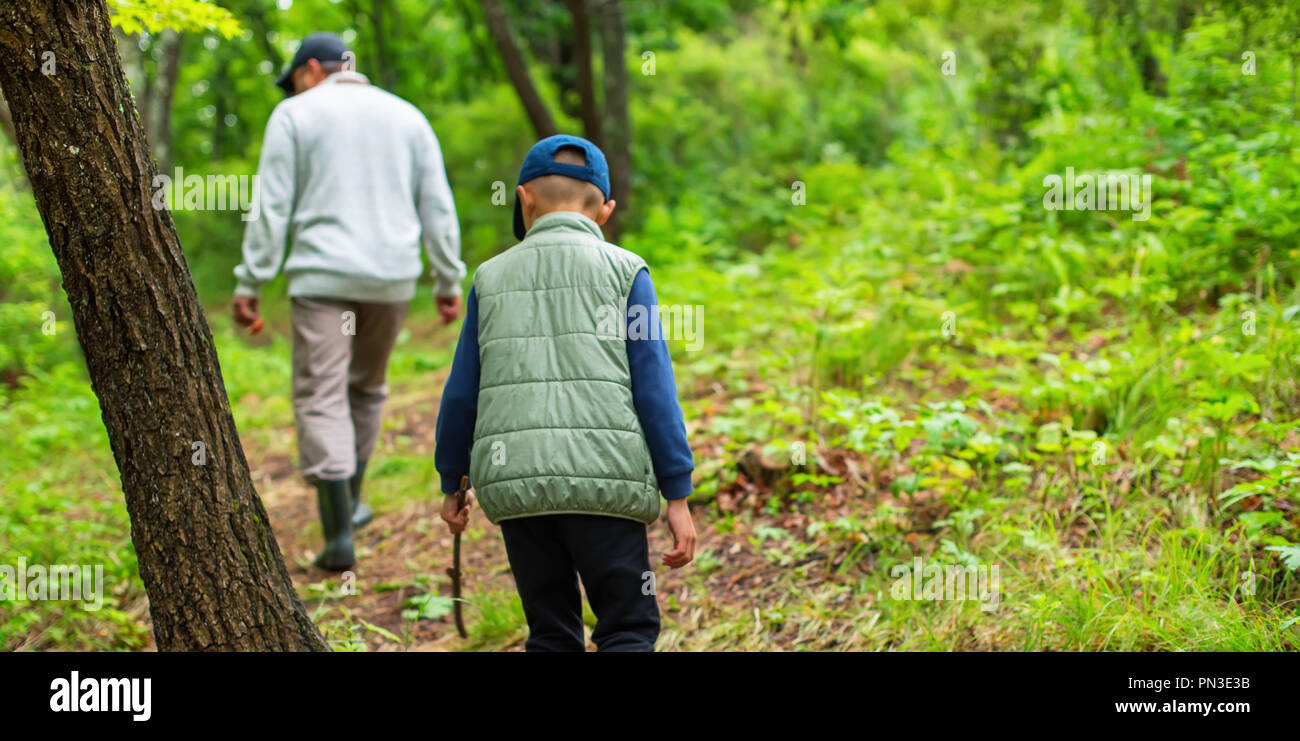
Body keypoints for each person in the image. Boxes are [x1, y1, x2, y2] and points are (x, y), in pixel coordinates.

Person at [434, 135, 696, 651]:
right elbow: (655, 388)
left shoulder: (489, 279)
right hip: (607, 484)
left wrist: (451, 480)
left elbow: (462, 393)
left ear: (523, 199)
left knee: (550, 633)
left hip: (519, 490)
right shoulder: (627, 272)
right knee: (627, 628)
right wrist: (677, 492)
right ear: (606, 211)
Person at [232, 32, 466, 571]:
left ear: (312, 69)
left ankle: (339, 534)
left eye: (294, 81)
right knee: (366, 388)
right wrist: (447, 280)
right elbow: (436, 202)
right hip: (391, 280)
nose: (292, 91)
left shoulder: (295, 116)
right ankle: (354, 502)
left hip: (323, 281)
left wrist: (252, 281)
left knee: (321, 393)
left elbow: (271, 205)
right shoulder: (407, 117)